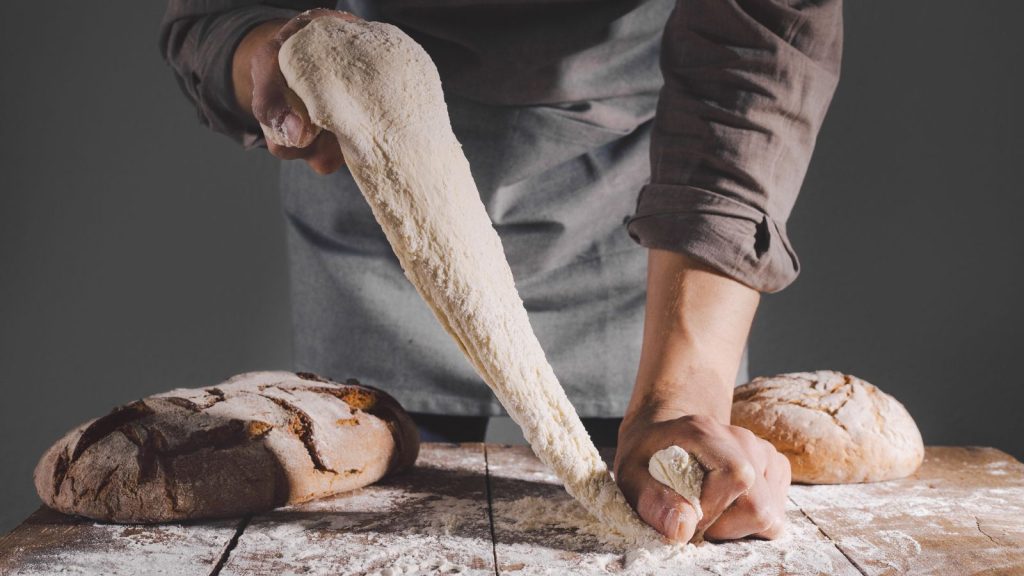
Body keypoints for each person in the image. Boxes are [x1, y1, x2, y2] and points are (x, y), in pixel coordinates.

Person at [160, 0, 842, 544]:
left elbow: (754, 54)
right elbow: (214, 14)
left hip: (643, 217)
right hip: (372, 194)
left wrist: (682, 396)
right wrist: (274, 53)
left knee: (662, 505)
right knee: (365, 539)